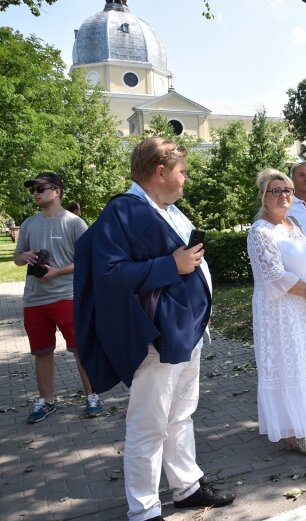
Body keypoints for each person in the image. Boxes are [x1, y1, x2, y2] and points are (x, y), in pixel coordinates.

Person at [74, 138, 235, 521]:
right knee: (148, 424)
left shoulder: (170, 211)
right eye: (183, 171)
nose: (186, 179)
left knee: (181, 414)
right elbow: (108, 274)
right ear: (159, 172)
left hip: (186, 333)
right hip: (157, 339)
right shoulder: (123, 212)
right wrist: (170, 265)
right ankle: (143, 510)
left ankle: (186, 486)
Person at [247, 168, 306, 456]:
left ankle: (303, 425)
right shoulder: (260, 232)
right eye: (276, 191)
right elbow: (274, 276)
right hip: (279, 312)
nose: (283, 195)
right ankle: (293, 432)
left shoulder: (294, 224)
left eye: (288, 190)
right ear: (264, 197)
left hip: (304, 309)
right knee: (287, 365)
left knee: (305, 364)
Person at [13, 172, 101, 423]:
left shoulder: (74, 223)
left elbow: (87, 259)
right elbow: (17, 258)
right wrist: (25, 256)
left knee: (79, 349)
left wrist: (57, 272)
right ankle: (46, 401)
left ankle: (92, 396)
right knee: (42, 351)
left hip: (67, 296)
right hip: (34, 299)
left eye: (40, 188)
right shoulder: (29, 223)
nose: (35, 193)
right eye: (34, 189)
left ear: (57, 191)